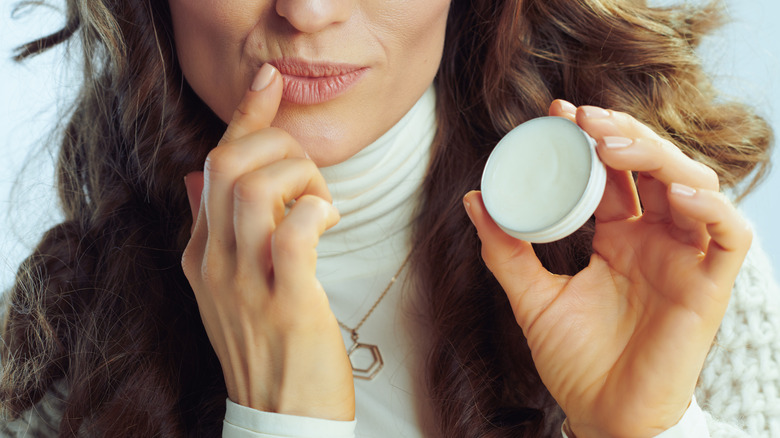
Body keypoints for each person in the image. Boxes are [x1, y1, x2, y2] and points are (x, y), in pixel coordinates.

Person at [1, 0, 777, 436]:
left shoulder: (656, 262)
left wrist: (646, 431)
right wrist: (281, 424)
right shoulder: (51, 358)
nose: (308, 12)